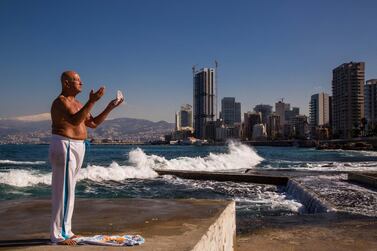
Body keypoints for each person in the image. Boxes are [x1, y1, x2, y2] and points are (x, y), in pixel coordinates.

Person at [49, 71, 124, 245]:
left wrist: (110, 106)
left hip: (77, 146)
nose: (81, 83)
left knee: (70, 190)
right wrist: (92, 101)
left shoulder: (77, 103)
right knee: (63, 191)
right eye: (77, 80)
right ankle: (58, 235)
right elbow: (75, 121)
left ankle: (66, 231)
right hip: (65, 145)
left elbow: (93, 124)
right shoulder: (60, 102)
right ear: (67, 83)